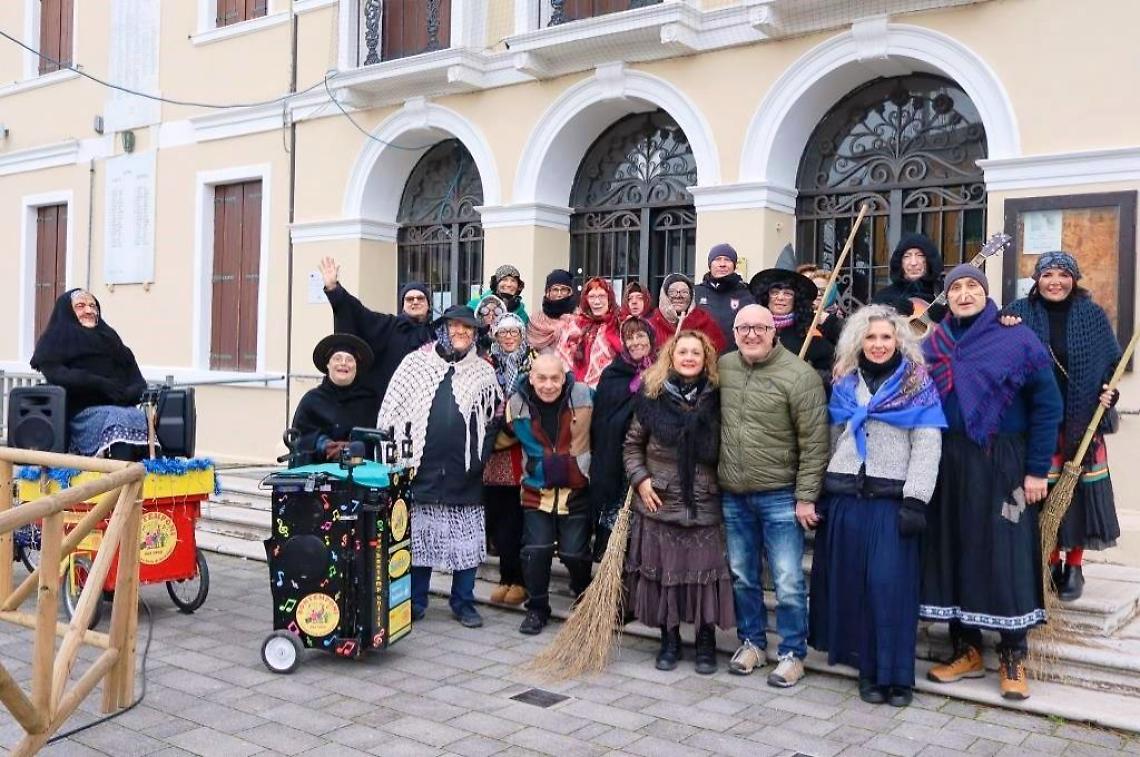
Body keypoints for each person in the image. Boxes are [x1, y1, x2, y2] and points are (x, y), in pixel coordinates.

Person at [920, 265, 1062, 701]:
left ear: (987, 295)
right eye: (956, 288)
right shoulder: (934, 343)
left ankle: (1013, 655)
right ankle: (967, 649)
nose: (964, 294)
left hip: (1007, 466)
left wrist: (1037, 470)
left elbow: (1047, 405)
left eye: (972, 287)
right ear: (946, 297)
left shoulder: (1016, 337)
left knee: (1007, 550)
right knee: (956, 547)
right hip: (950, 463)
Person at [808, 305, 946, 707]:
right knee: (856, 589)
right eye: (871, 338)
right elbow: (834, 437)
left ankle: (898, 676)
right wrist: (820, 491)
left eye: (886, 337)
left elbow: (927, 443)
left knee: (890, 588)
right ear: (858, 342)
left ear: (899, 340)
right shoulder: (846, 384)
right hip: (847, 500)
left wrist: (916, 499)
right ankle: (868, 670)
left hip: (892, 503)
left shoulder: (917, 384)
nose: (879, 344)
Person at [717, 304, 829, 687]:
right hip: (734, 493)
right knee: (743, 576)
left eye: (759, 327)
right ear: (734, 332)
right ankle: (752, 642)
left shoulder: (799, 376)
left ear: (774, 330)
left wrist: (806, 496)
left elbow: (815, 442)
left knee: (787, 580)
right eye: (743, 328)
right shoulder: (725, 367)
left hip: (781, 495)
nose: (751, 334)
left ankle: (793, 653)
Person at [1002, 252, 1122, 601]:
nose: (1055, 281)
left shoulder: (1093, 316)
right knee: (1042, 497)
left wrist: (1108, 396)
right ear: (1036, 279)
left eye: (1063, 274)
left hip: (1081, 423)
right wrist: (1002, 323)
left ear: (1075, 278)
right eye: (1048, 274)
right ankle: (1050, 560)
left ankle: (1075, 566)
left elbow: (1110, 368)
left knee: (1078, 497)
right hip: (1038, 424)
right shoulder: (1018, 313)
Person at [378, 305, 501, 629]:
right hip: (421, 468)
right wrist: (397, 460)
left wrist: (479, 460)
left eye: (468, 329)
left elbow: (492, 422)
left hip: (465, 471)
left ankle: (464, 602)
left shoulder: (484, 372)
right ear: (443, 329)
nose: (462, 333)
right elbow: (392, 411)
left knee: (466, 541)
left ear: (475, 334)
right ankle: (416, 601)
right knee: (420, 540)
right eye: (456, 327)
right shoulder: (415, 364)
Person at [623, 330, 734, 674]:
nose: (688, 358)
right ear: (670, 357)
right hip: (660, 502)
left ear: (706, 359)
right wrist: (641, 481)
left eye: (695, 353)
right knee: (665, 577)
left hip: (705, 502)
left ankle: (704, 642)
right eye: (682, 352)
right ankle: (668, 641)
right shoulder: (651, 397)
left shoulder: (720, 399)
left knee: (705, 578)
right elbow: (631, 446)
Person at [502, 353, 594, 635]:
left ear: (563, 375)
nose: (548, 385)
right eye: (541, 378)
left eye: (555, 378)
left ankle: (584, 599)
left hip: (576, 490)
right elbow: (502, 437)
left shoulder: (585, 395)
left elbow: (607, 431)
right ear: (531, 377)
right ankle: (537, 608)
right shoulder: (516, 404)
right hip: (536, 491)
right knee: (536, 551)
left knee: (574, 553)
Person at [31, 289, 149, 459]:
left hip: (120, 407)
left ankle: (143, 475)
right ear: (68, 311)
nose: (89, 310)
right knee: (117, 417)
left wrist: (127, 394)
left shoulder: (111, 339)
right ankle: (118, 480)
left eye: (93, 306)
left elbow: (137, 380)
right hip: (80, 412)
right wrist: (99, 384)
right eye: (80, 306)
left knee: (141, 417)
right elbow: (56, 374)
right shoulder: (55, 339)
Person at [320, 256, 434, 416]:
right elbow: (357, 313)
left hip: (424, 409)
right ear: (402, 304)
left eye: (420, 298)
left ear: (428, 303)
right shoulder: (387, 325)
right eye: (409, 299)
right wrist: (334, 290)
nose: (415, 302)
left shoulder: (437, 334)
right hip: (386, 407)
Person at [590, 317, 657, 559]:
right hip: (616, 459)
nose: (636, 342)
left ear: (651, 338)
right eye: (630, 337)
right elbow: (603, 418)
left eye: (641, 336)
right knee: (617, 515)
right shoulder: (613, 374)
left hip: (652, 460)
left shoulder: (664, 370)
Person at [483, 313, 535, 606]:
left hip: (521, 449)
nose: (509, 338)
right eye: (503, 334)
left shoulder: (532, 361)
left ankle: (521, 580)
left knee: (518, 520)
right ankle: (505, 577)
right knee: (500, 517)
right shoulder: (488, 363)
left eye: (514, 333)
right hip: (493, 452)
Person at [289, 334, 377, 464]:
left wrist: (354, 447)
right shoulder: (311, 401)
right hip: (318, 476)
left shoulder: (370, 402)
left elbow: (378, 440)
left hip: (359, 476)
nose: (343, 363)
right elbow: (299, 438)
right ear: (328, 365)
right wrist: (323, 444)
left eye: (349, 359)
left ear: (356, 367)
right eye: (337, 358)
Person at [749, 268, 839, 381]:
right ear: (766, 297)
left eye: (788, 294)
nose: (780, 298)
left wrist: (806, 376)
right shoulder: (751, 329)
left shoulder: (809, 335)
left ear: (796, 299)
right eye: (775, 292)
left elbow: (830, 371)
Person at [557, 277, 622, 389]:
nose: (597, 302)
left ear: (609, 299)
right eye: (592, 297)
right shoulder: (574, 325)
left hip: (610, 390)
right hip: (576, 392)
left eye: (602, 296)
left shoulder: (620, 324)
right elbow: (561, 358)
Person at [872, 233, 946, 323]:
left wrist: (947, 318)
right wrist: (890, 311)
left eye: (920, 255)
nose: (913, 263)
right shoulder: (884, 296)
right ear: (900, 262)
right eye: (907, 256)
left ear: (929, 260)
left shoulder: (943, 292)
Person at [694, 243, 755, 348]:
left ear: (734, 265)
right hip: (703, 357)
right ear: (710, 265)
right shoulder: (695, 293)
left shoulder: (747, 293)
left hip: (737, 358)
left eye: (727, 260)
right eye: (717, 259)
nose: (722, 264)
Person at [647, 273, 726, 353]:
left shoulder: (705, 321)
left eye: (684, 292)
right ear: (664, 295)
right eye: (672, 292)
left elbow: (716, 350)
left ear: (691, 296)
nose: (678, 296)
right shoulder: (650, 325)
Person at [527, 269, 577, 353]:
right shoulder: (536, 321)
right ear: (548, 292)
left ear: (569, 292)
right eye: (555, 289)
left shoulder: (578, 319)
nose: (559, 294)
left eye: (563, 289)